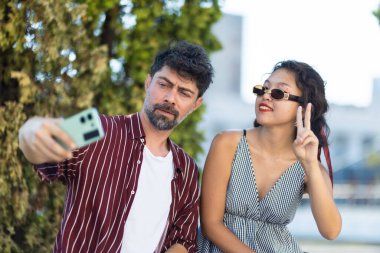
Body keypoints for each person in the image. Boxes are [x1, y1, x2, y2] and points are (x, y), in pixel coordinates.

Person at [18, 41, 214, 253]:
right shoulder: (96, 128)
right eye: (164, 84)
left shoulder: (187, 168)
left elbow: (183, 240)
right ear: (148, 83)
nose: (170, 98)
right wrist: (29, 130)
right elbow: (41, 143)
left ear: (196, 104)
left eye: (184, 93)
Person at [197, 60, 342, 253]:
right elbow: (210, 224)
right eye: (263, 89)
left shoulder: (310, 167)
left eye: (278, 93)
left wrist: (310, 165)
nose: (265, 96)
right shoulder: (227, 144)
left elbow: (331, 231)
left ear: (305, 108)